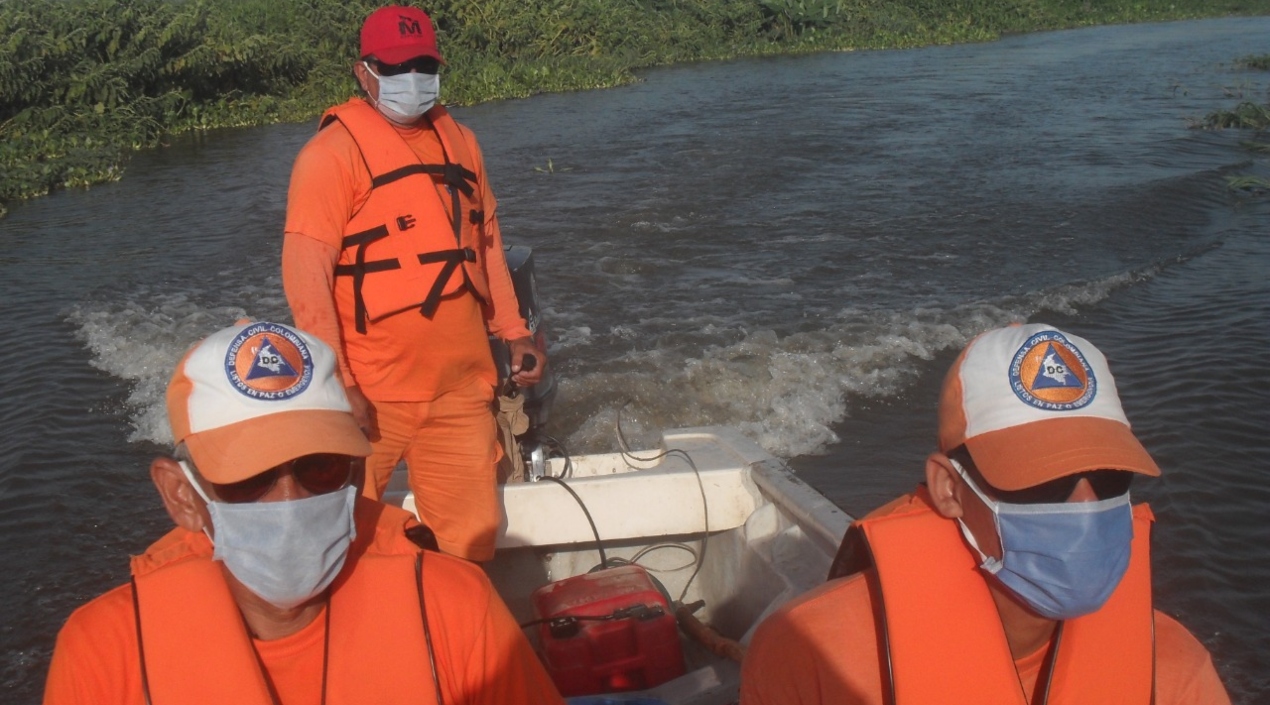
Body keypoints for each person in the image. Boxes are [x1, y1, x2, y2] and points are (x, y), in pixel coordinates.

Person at [43, 320, 564, 705]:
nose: (289, 501)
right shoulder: (102, 650)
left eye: (321, 468)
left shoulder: (454, 604)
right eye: (248, 477)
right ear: (183, 496)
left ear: (357, 477)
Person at [740, 323, 1231, 704]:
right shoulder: (811, 654)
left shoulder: (1169, 666)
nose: (1085, 505)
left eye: (1109, 478)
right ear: (949, 487)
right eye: (1045, 480)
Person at [281, 5, 545, 561]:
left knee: (470, 544)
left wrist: (515, 330)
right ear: (364, 72)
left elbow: (487, 242)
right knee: (341, 544)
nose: (413, 80)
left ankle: (453, 639)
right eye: (396, 67)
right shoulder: (330, 156)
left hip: (460, 390)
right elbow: (306, 276)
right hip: (371, 395)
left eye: (424, 65)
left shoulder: (462, 142)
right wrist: (339, 381)